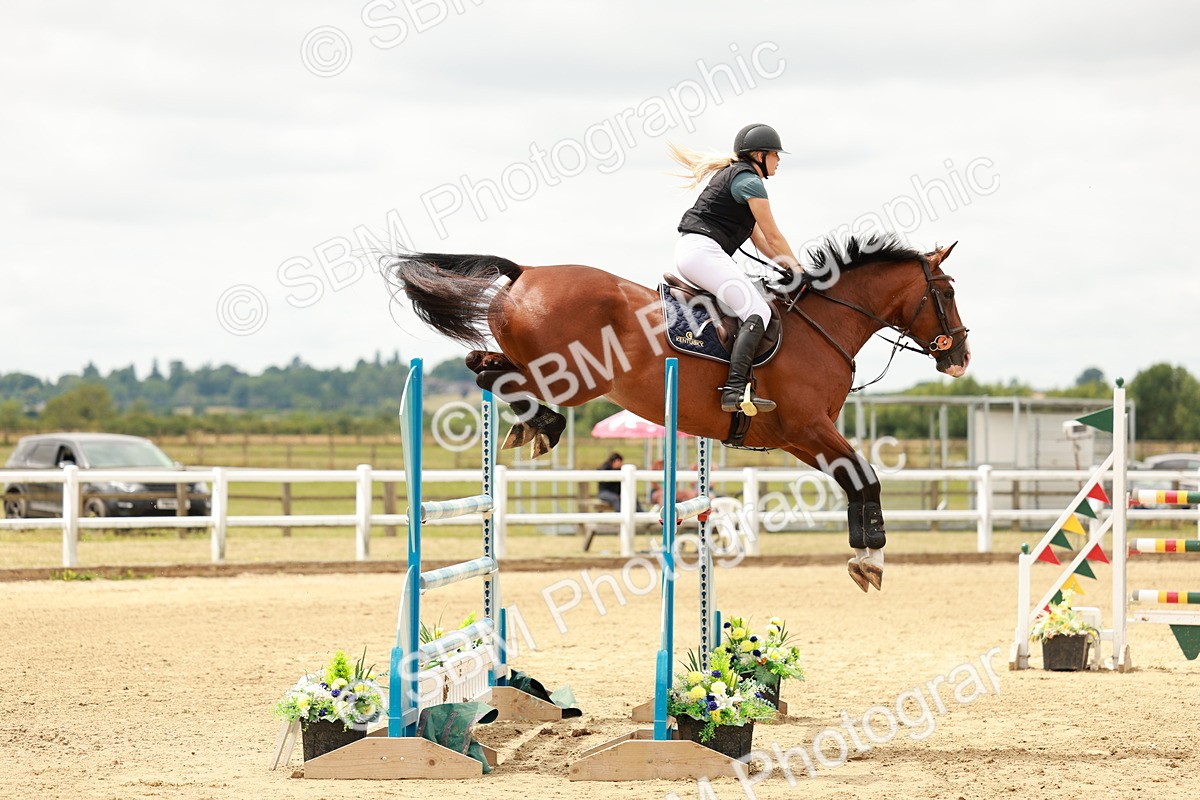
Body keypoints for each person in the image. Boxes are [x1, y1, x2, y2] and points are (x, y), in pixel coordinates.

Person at [669, 123, 801, 415]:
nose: (779, 160)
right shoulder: (751, 182)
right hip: (703, 252)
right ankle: (733, 391)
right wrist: (800, 270)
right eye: (775, 155)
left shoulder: (739, 180)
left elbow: (764, 244)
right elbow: (776, 236)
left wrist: (789, 266)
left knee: (752, 305)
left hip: (697, 251)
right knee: (759, 312)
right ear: (758, 155)